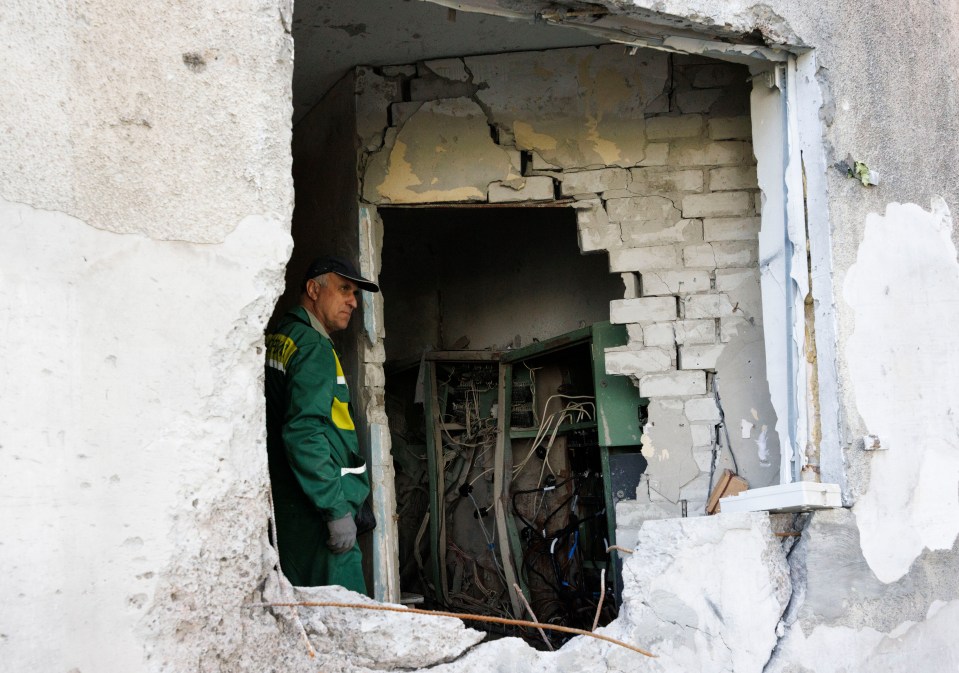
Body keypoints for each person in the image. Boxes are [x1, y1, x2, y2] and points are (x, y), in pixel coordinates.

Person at [265, 255, 379, 592]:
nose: (353, 302)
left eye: (355, 294)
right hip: (320, 507)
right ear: (314, 289)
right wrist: (335, 510)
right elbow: (304, 433)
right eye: (344, 289)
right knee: (345, 612)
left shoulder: (284, 336)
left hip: (292, 503)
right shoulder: (314, 347)